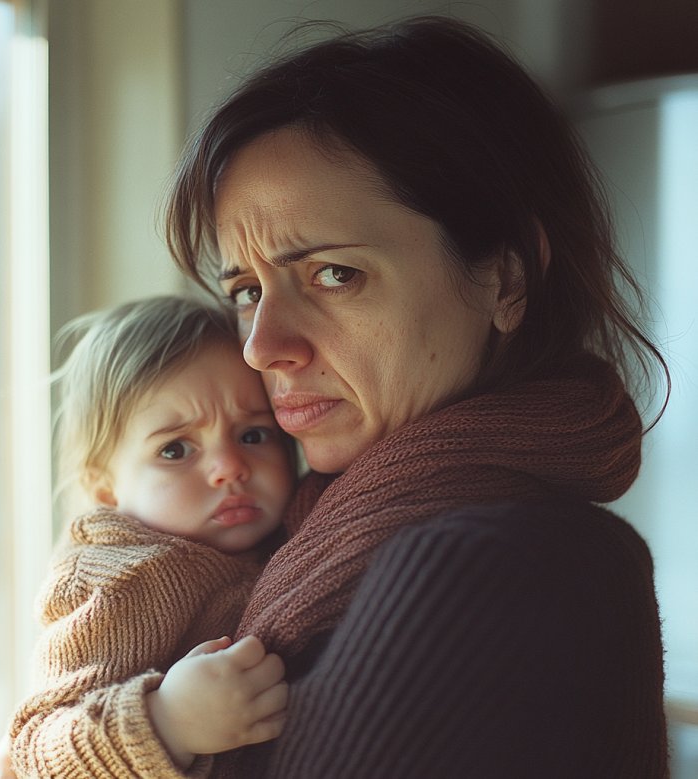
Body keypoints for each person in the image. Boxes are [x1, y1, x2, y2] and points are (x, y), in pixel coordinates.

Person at [160, 15, 670, 778]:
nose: (262, 345)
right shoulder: (277, 541)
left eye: (334, 273)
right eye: (245, 288)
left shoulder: (489, 568)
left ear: (505, 277)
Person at [0, 296, 294, 778]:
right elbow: (38, 748)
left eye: (253, 435)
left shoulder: (292, 527)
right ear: (105, 487)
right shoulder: (120, 575)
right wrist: (169, 722)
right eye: (175, 449)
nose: (230, 468)